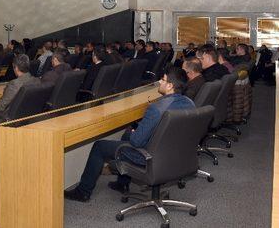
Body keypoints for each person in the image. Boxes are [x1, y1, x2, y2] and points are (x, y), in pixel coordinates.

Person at [64, 67, 195, 202]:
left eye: (162, 79)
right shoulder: (190, 104)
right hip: (174, 154)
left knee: (99, 146)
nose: (159, 82)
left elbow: (137, 142)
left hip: (149, 157)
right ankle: (122, 183)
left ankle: (83, 192)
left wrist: (135, 133)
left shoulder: (156, 109)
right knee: (127, 135)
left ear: (170, 86)